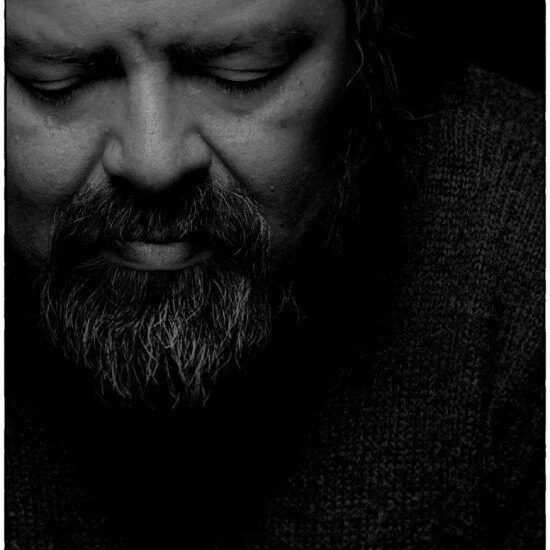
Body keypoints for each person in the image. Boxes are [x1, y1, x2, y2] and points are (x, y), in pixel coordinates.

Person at [5, 0, 544, 548]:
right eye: (55, 80)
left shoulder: (524, 242)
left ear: (364, 55)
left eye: (242, 73)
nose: (154, 163)